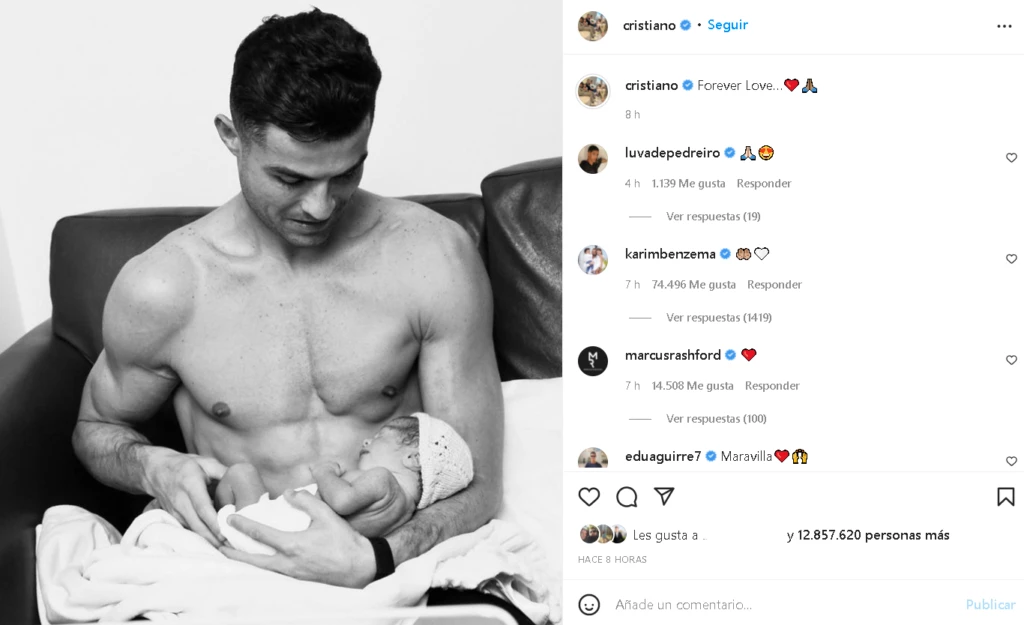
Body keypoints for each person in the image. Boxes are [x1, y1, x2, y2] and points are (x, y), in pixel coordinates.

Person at [72, 8, 504, 594]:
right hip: (242, 564)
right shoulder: (165, 287)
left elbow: (477, 479)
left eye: (345, 173)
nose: (321, 207)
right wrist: (153, 466)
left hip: (390, 562)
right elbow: (96, 428)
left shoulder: (433, 257)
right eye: (291, 179)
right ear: (232, 137)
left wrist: (377, 557)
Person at [216, 414, 474, 555]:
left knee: (241, 473)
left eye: (380, 437)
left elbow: (341, 501)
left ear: (413, 459)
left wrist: (324, 472)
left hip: (274, 529)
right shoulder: (406, 512)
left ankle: (216, 524)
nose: (366, 442)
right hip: (300, 545)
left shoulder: (383, 478)